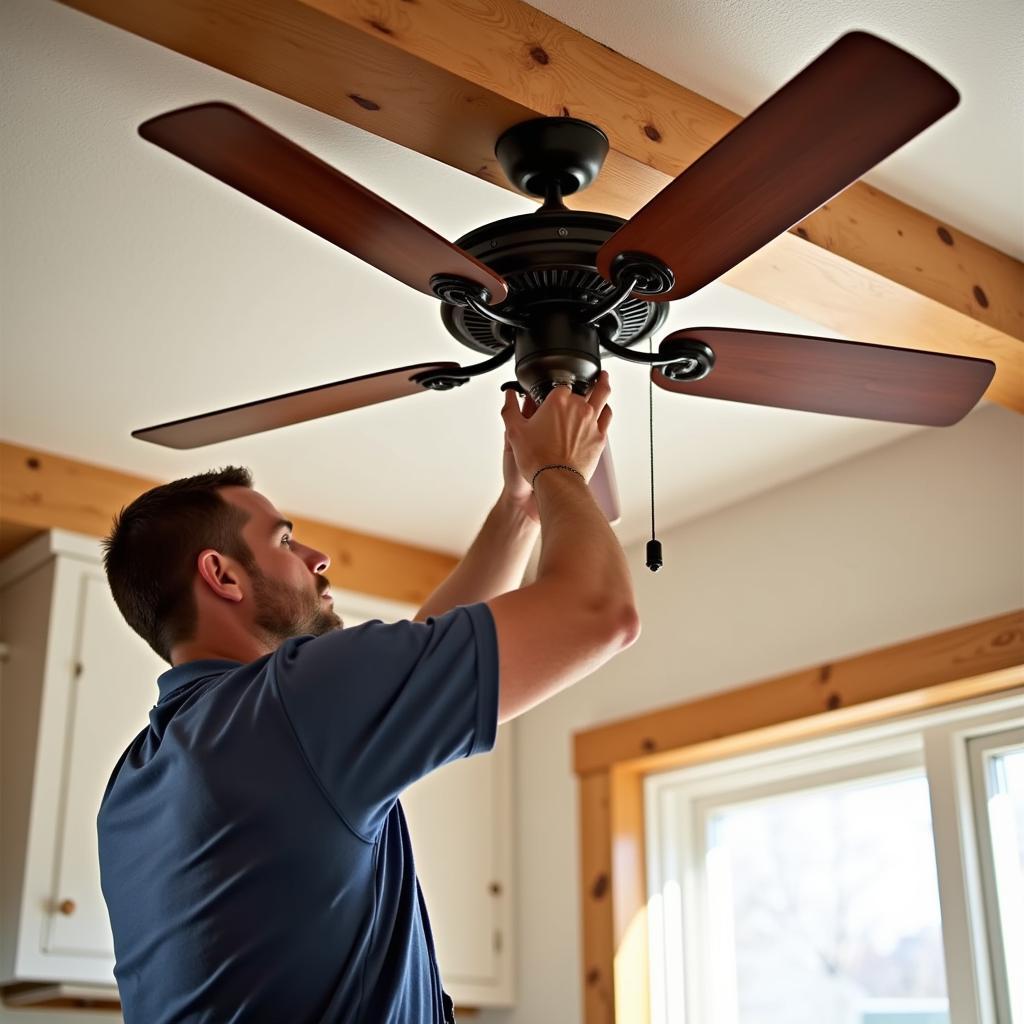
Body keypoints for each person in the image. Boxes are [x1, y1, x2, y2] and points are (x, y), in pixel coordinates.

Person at [98, 372, 639, 1023]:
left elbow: (412, 664)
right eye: (284, 539)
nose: (318, 556)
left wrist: (521, 504)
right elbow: (599, 613)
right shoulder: (292, 706)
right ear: (221, 574)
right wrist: (558, 470)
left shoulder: (141, 774)